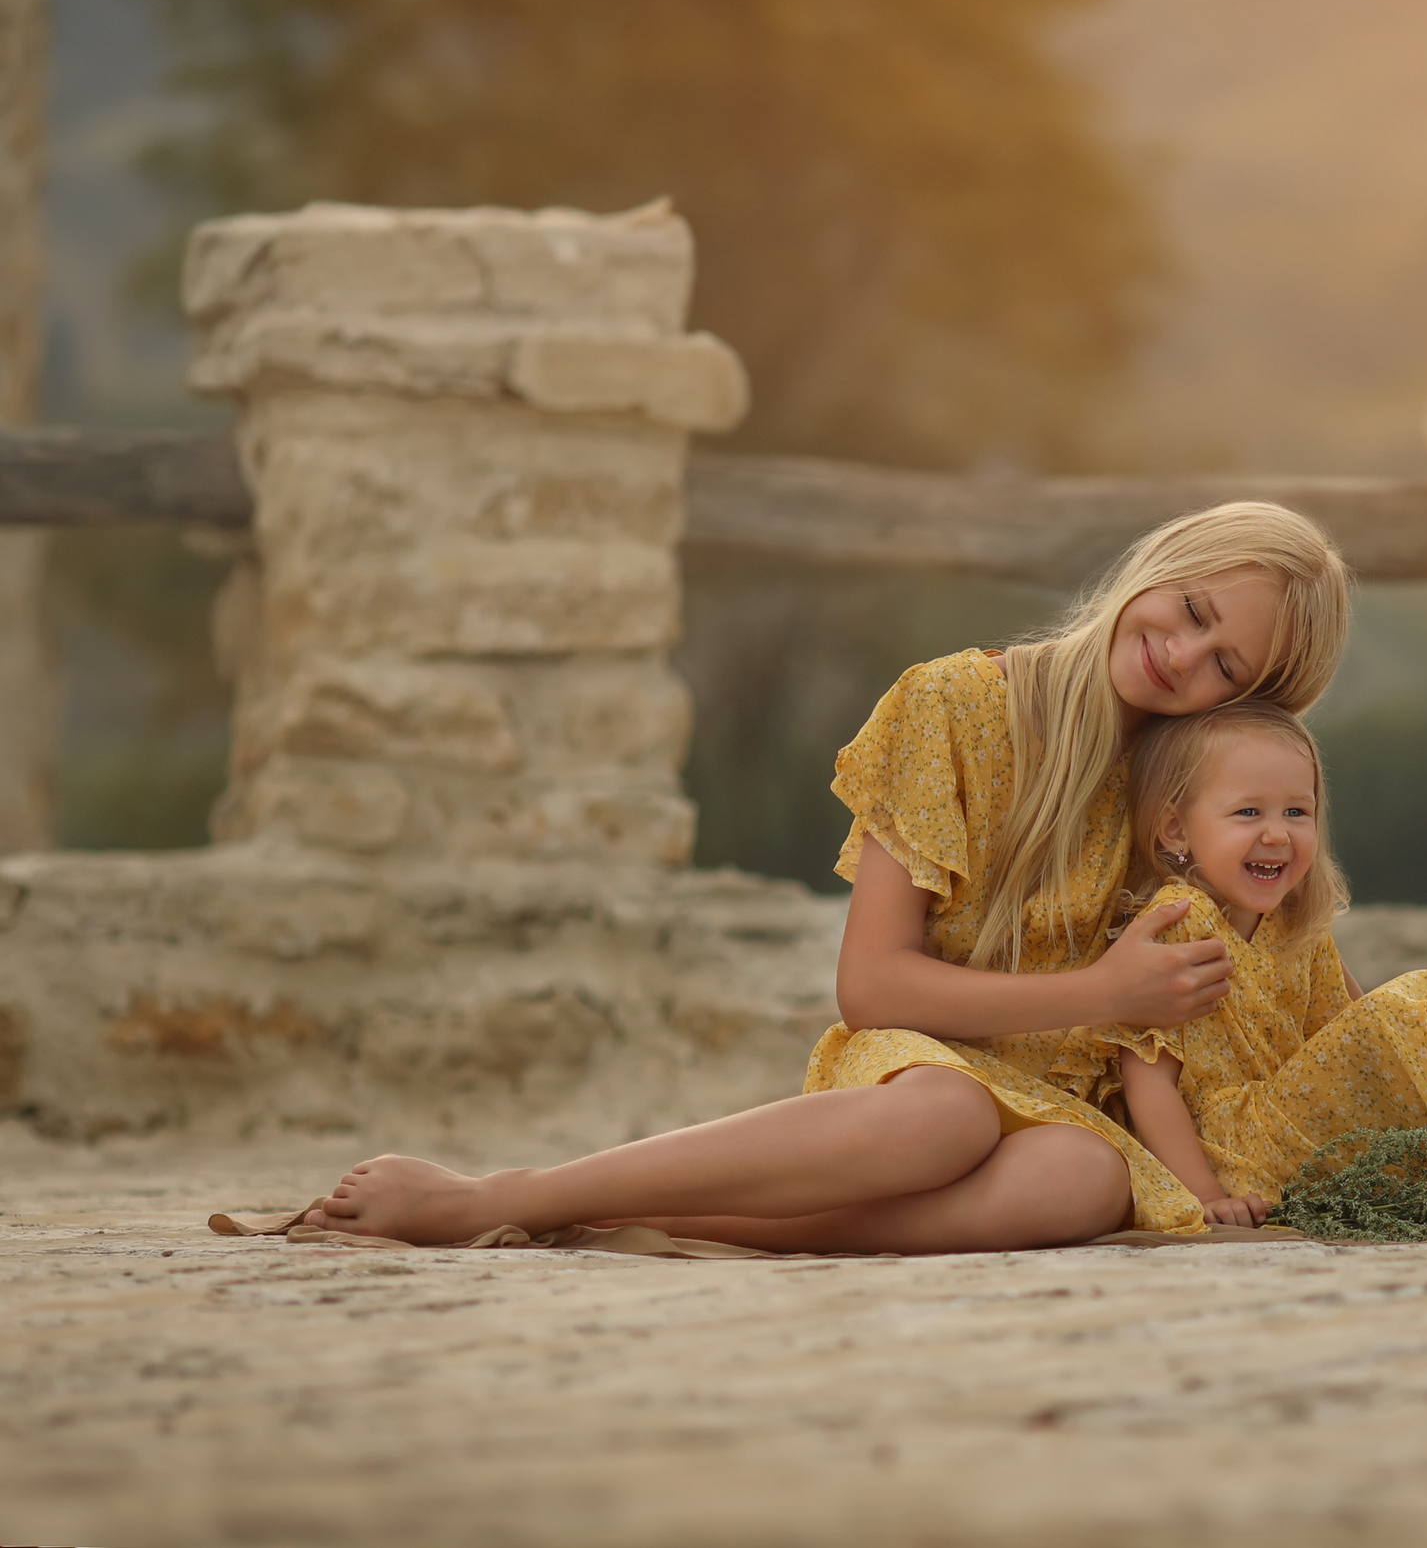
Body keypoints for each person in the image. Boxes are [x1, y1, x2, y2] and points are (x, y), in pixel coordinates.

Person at [297, 502, 1352, 1252]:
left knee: (1081, 1180)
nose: (1183, 650)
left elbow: (1309, 964)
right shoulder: (953, 705)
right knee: (945, 1116)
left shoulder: (1191, 799)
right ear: (1160, 561)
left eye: (1225, 666)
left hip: (1069, 1108)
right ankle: (508, 1193)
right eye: (1194, 608)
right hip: (919, 1066)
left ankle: (639, 1225)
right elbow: (872, 985)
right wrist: (1101, 993)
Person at [1093, 700, 1427, 1228]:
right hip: (1234, 1150)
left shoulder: (1296, 923)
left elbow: (1358, 1019)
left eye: (1296, 813)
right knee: (1401, 1017)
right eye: (1248, 812)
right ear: (1177, 830)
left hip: (1296, 1121)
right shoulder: (1181, 922)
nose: (1278, 834)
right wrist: (1205, 1195)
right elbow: (1147, 1079)